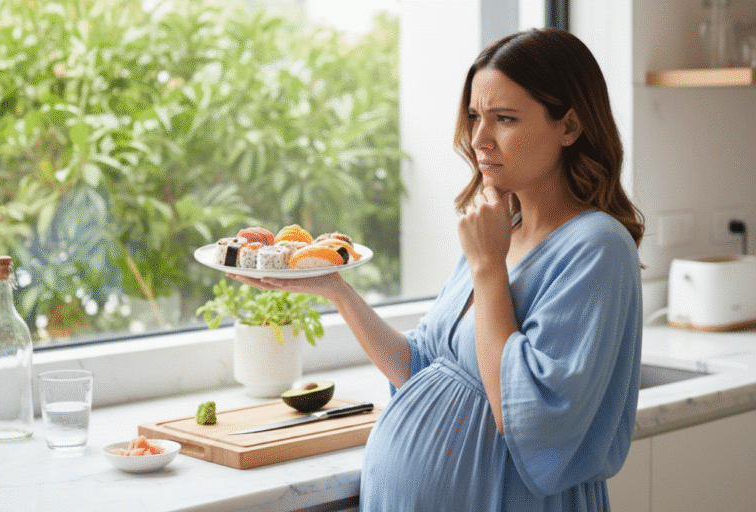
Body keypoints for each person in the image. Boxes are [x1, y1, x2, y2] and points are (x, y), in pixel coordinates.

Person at [228, 27, 644, 511]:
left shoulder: (596, 247)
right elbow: (420, 368)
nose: (480, 139)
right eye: (474, 117)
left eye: (504, 118)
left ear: (569, 127)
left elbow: (531, 418)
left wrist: (487, 267)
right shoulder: (500, 230)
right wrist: (337, 291)